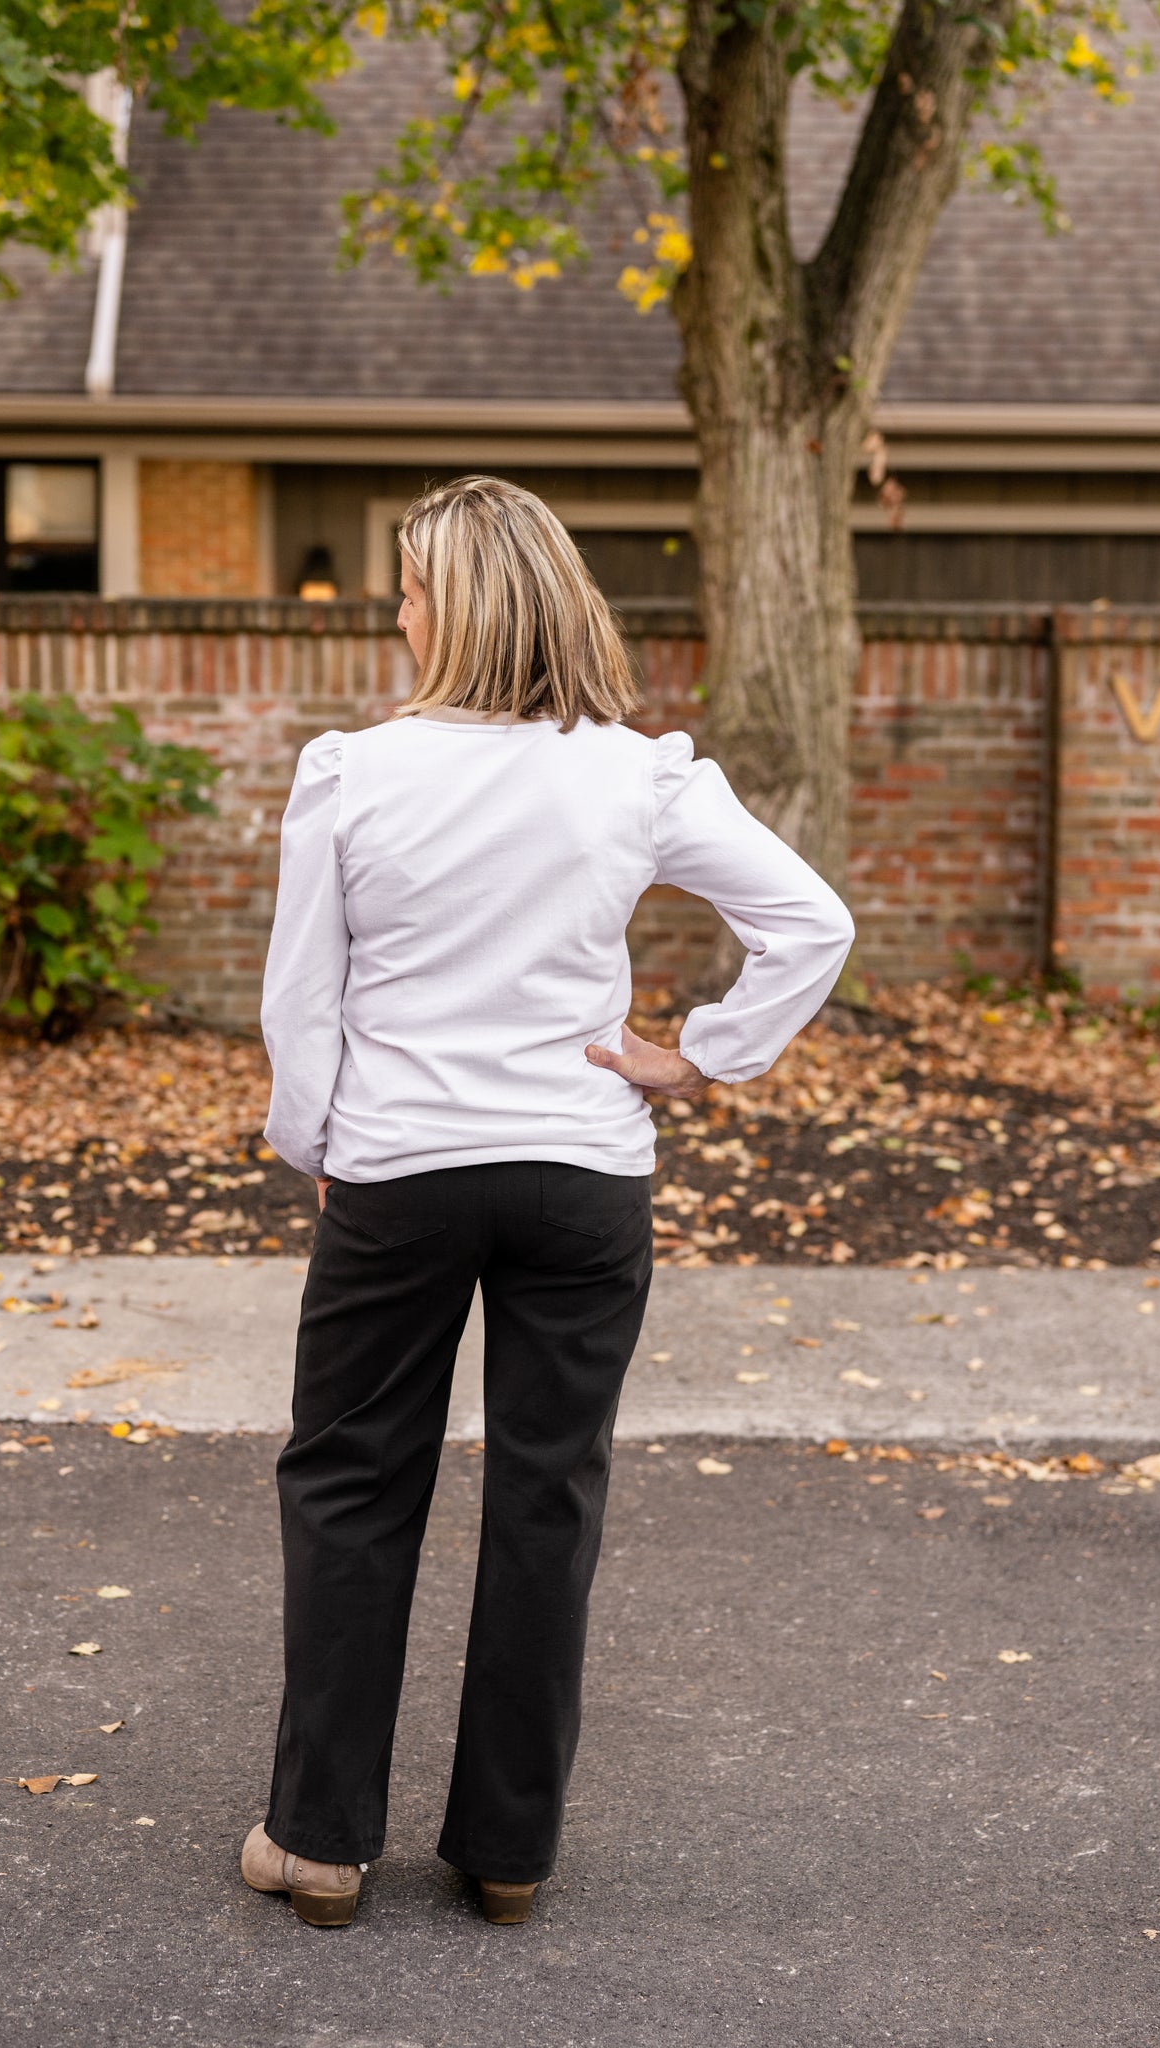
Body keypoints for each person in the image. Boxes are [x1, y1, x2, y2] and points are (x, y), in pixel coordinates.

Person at [242, 475, 854, 1929]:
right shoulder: (638, 775)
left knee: (348, 1484)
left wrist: (313, 1141)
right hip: (581, 1172)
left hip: (399, 1169)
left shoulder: (353, 771)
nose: (394, 610)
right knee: (545, 1493)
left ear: (451, 607)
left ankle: (321, 1846)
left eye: (406, 587)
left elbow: (301, 996)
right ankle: (506, 1855)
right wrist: (692, 1060)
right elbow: (807, 922)